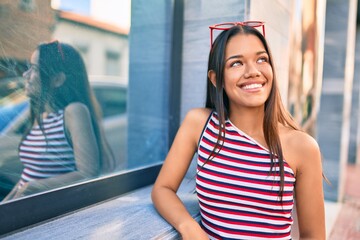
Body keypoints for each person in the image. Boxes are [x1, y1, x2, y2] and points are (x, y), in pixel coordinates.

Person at [151, 22, 325, 239]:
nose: (253, 72)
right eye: (236, 63)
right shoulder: (199, 124)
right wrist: (189, 227)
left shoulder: (302, 147)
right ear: (216, 79)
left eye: (262, 59)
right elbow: (162, 189)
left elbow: (313, 236)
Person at [3, 40, 114, 201]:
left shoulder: (74, 111)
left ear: (57, 80)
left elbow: (88, 172)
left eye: (34, 68)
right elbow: (25, 180)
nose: (25, 75)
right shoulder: (41, 116)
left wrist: (35, 186)